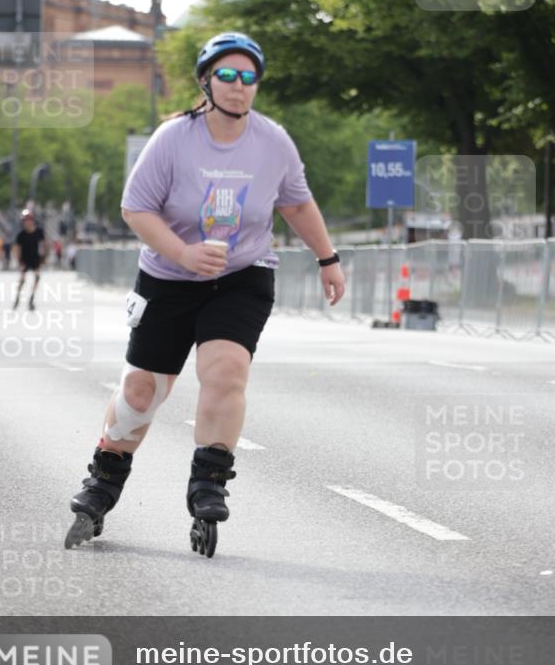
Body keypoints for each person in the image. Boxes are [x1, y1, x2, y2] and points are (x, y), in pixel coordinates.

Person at [65, 30, 346, 557]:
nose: (240, 87)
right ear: (206, 81)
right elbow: (136, 209)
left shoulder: (272, 141)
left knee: (225, 371)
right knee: (141, 392)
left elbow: (298, 205)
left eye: (250, 78)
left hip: (242, 275)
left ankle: (209, 482)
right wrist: (183, 253)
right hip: (169, 279)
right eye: (228, 76)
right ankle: (103, 480)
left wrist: (327, 259)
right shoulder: (173, 139)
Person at [12, 209, 48, 310]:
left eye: (28, 220)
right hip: (24, 259)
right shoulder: (21, 235)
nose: (27, 222)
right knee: (22, 279)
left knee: (37, 277)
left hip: (35, 258)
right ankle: (17, 297)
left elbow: (44, 245)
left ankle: (31, 298)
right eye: (25, 220)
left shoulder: (39, 232)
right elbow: (16, 248)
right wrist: (18, 260)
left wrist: (44, 257)